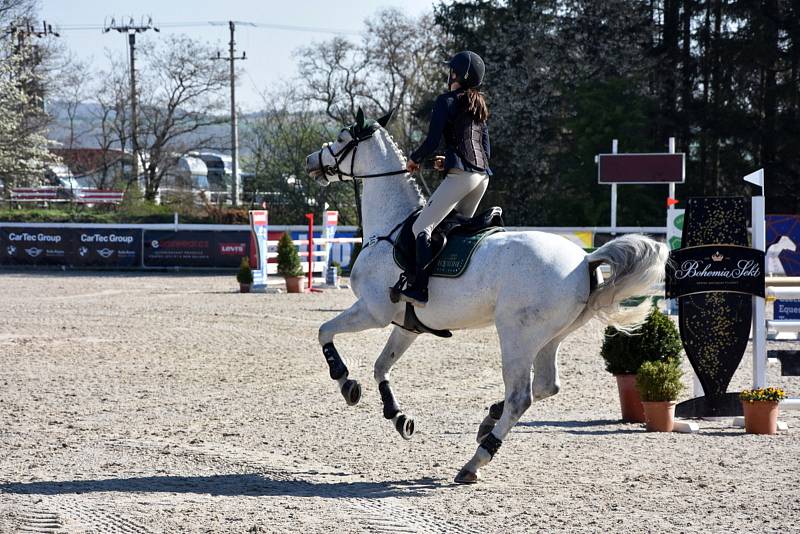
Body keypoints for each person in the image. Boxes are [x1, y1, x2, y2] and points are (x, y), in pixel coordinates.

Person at [399, 50, 492, 308]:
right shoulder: (478, 105)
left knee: (422, 228)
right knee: (454, 229)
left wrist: (414, 159)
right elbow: (484, 149)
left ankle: (419, 289)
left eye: (451, 71)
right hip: (482, 178)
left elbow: (431, 141)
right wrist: (449, 162)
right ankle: (454, 289)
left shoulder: (446, 101)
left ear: (457, 75)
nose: (448, 75)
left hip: (462, 177)